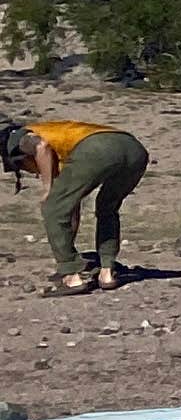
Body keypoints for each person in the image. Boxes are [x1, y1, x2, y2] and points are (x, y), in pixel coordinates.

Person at [4, 117, 147, 294]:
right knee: (107, 209)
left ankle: (71, 277)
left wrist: (47, 189)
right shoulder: (64, 147)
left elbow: (41, 147)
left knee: (52, 208)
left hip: (97, 148)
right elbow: (71, 207)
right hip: (134, 149)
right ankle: (107, 272)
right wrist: (66, 243)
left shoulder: (16, 137)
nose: (32, 172)